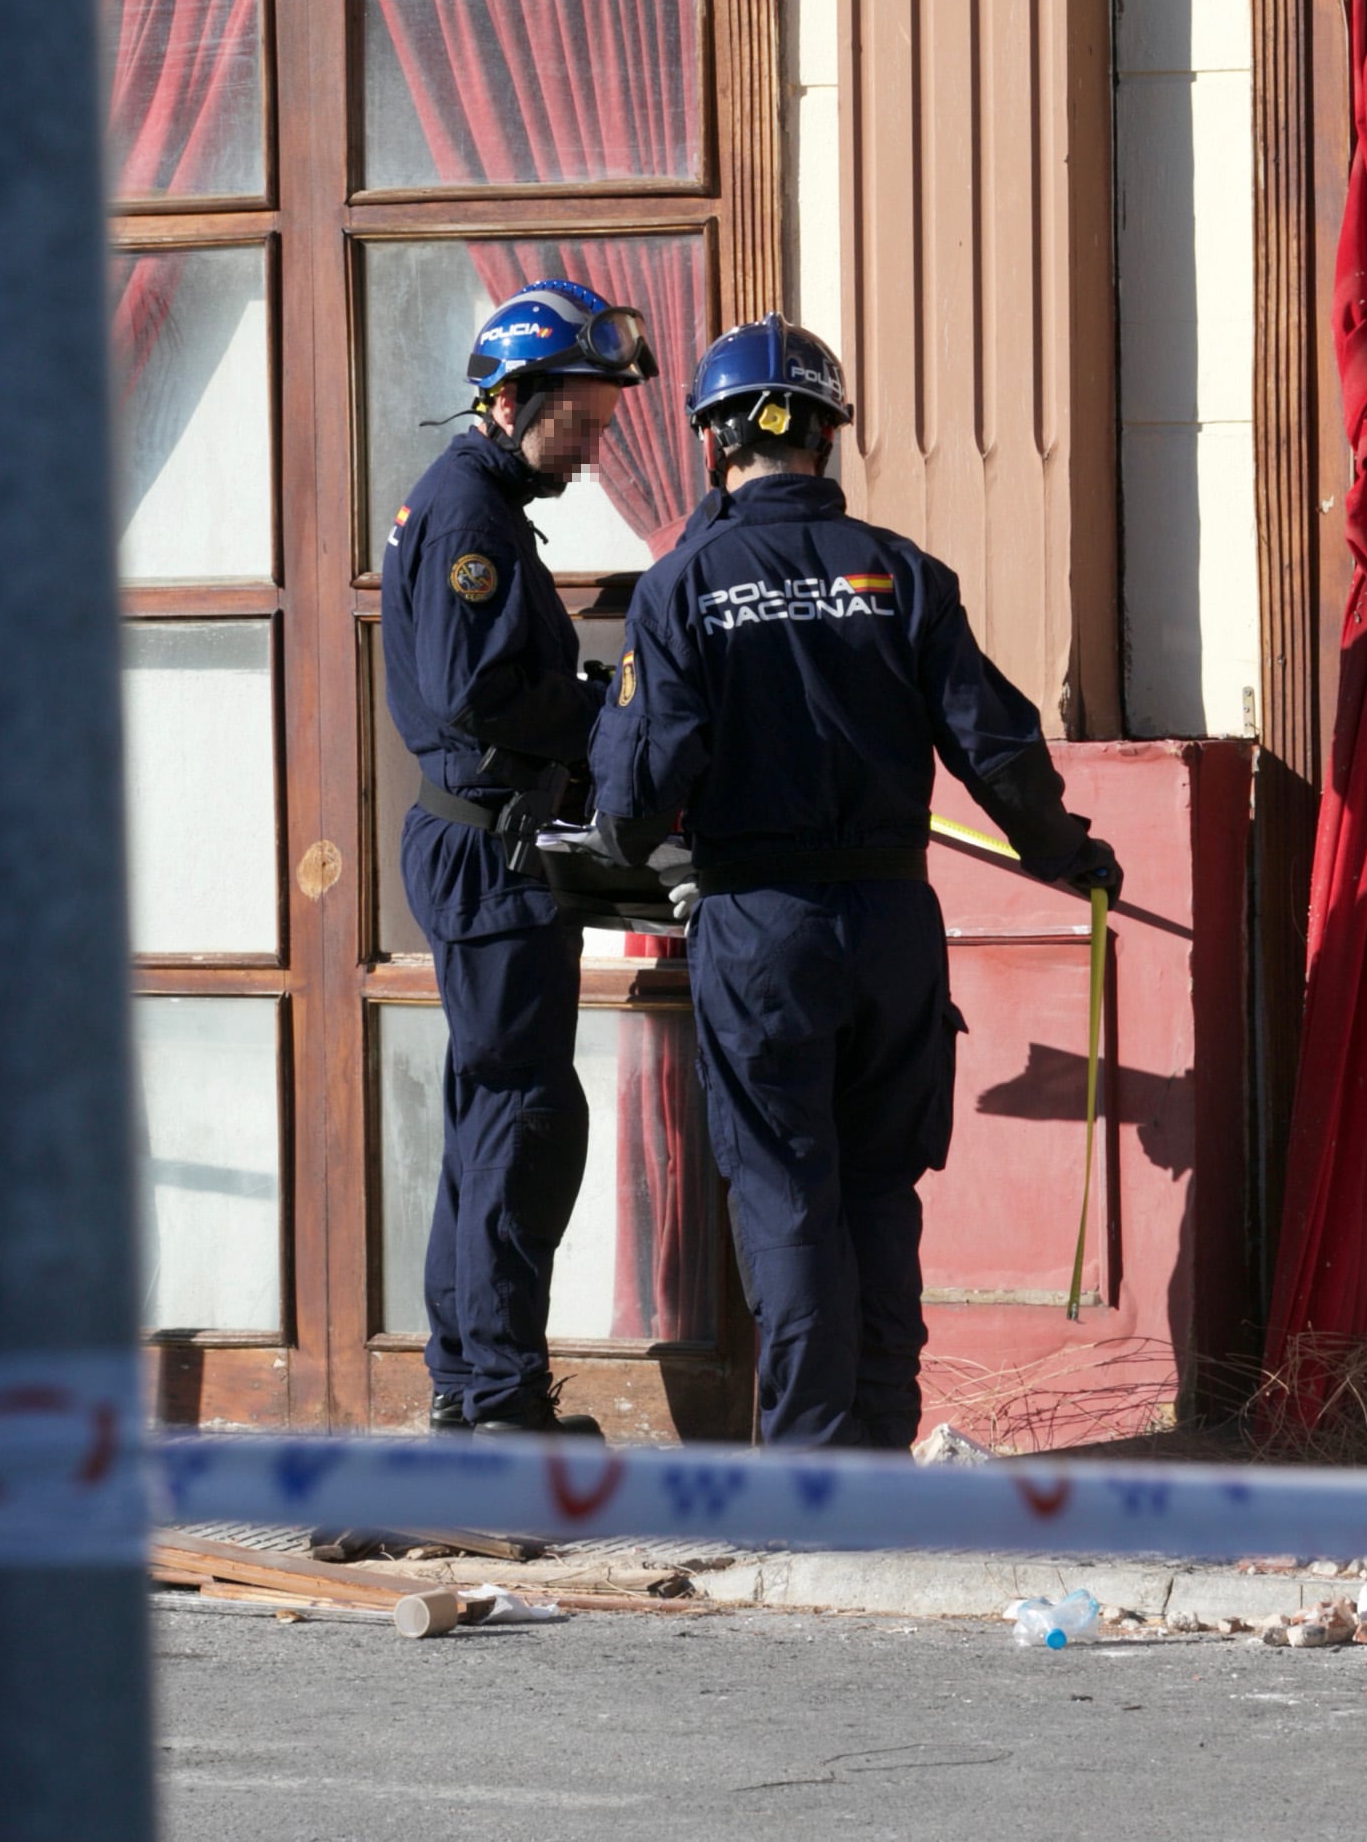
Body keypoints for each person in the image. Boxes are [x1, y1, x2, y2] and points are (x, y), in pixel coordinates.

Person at [582, 315, 1121, 1449]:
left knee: (783, 1192)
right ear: (827, 436)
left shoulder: (683, 584)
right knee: (879, 1188)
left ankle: (811, 1468)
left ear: (712, 439)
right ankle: (877, 1443)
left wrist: (623, 833)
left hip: (758, 929)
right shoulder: (901, 573)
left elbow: (635, 793)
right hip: (891, 925)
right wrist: (1067, 853)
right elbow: (998, 749)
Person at [381, 279, 655, 1434]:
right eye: (578, 423)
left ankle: (467, 1385)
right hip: (486, 855)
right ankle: (494, 1400)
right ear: (508, 400)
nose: (592, 448)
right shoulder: (468, 518)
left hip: (484, 847)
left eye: (603, 426)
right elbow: (477, 690)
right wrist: (613, 719)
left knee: (494, 1110)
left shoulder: (483, 503)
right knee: (522, 1118)